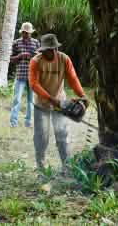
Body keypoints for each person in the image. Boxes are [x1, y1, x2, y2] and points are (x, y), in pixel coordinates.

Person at [28, 34, 87, 169]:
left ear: (56, 48)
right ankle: (41, 167)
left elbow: (72, 78)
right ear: (42, 50)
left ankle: (67, 168)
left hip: (60, 104)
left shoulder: (64, 59)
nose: (52, 52)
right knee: (41, 137)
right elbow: (34, 84)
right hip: (41, 105)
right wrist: (50, 99)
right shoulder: (35, 61)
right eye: (48, 49)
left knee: (62, 136)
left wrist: (82, 95)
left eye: (54, 49)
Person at [8, 22, 40, 127]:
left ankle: (28, 122)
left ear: (30, 33)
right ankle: (13, 122)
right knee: (16, 99)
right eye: (23, 32)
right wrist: (20, 56)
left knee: (31, 101)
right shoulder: (16, 43)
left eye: (27, 32)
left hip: (32, 76)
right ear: (21, 32)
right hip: (20, 75)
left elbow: (40, 59)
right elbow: (11, 59)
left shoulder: (36, 43)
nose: (25, 34)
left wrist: (32, 57)